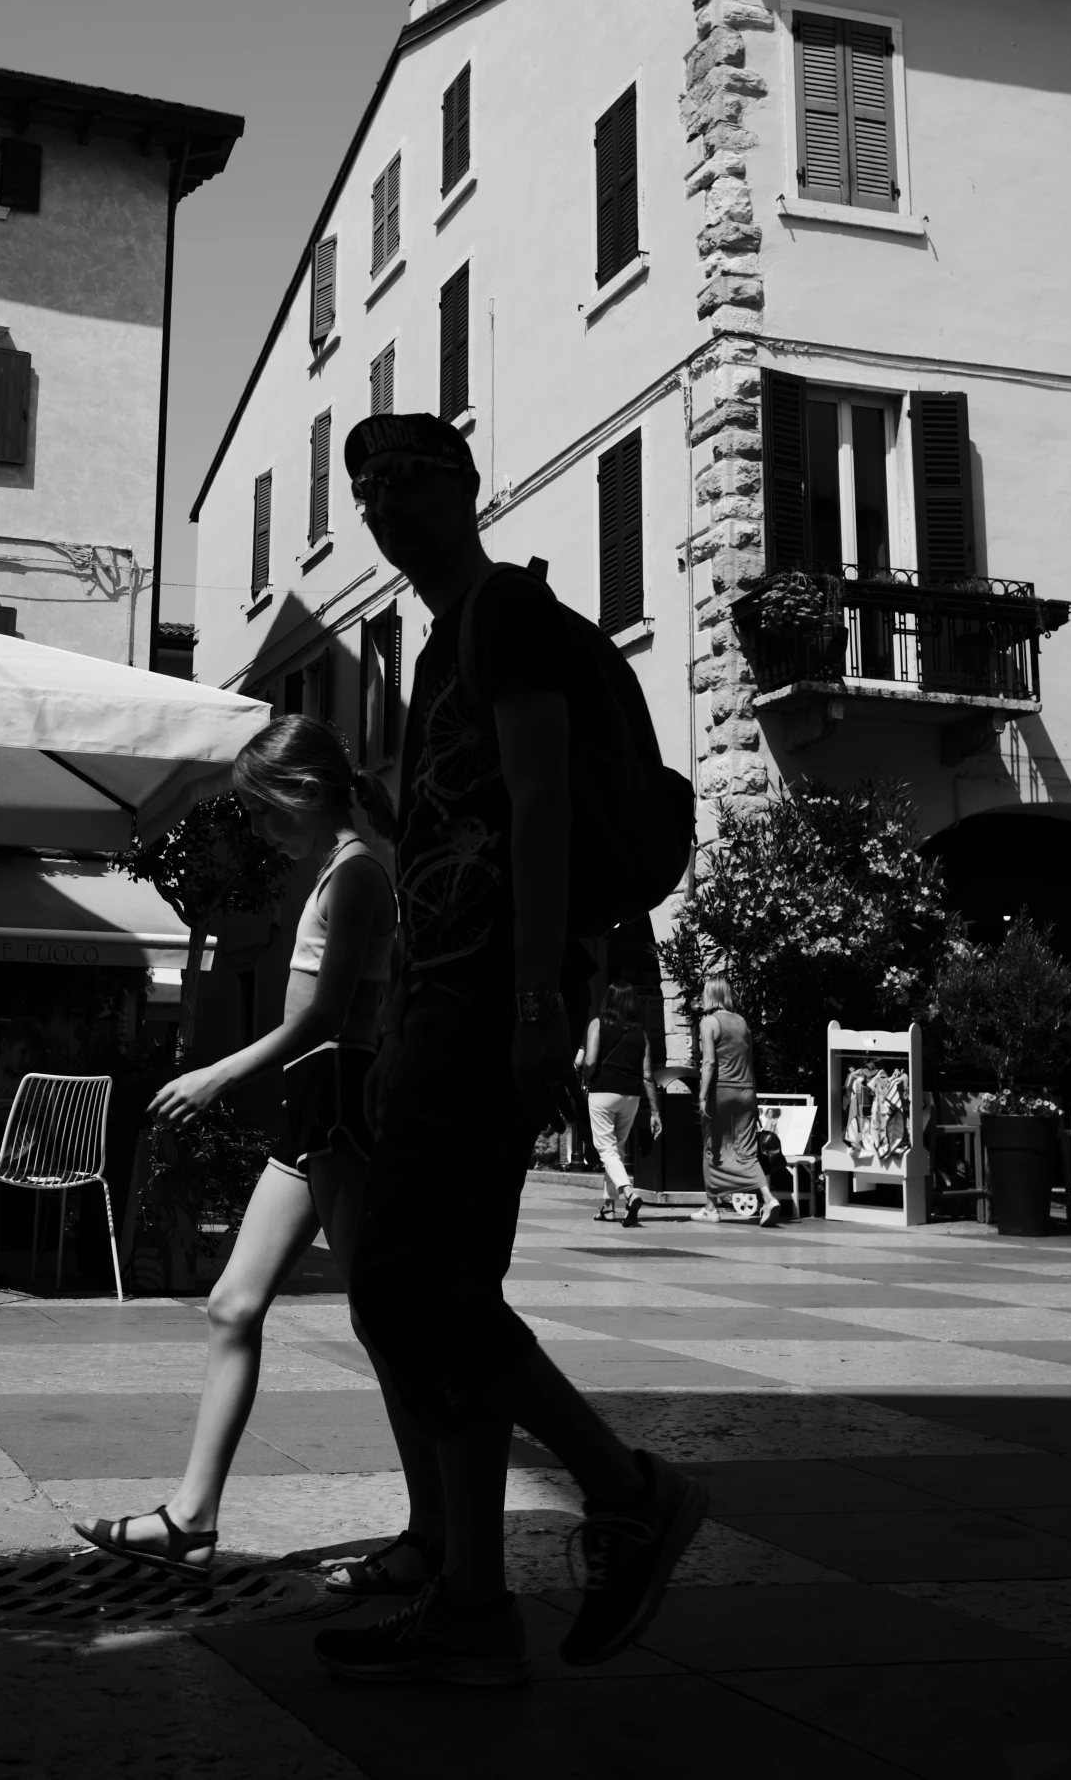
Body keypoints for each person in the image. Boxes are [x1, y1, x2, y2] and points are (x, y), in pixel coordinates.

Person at [314, 410, 706, 1689]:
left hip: (491, 996)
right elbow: (443, 837)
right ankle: (474, 1591)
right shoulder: (431, 653)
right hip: (441, 993)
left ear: (464, 485)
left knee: (411, 1287)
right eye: (363, 484)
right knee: (419, 1292)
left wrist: (538, 1000)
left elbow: (537, 801)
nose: (378, 502)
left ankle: (619, 1488)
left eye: (404, 477)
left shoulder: (506, 615)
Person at [78, 715, 446, 1589]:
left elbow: (321, 1019)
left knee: (381, 1323)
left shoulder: (356, 875)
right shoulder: (342, 870)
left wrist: (214, 1074)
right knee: (233, 1305)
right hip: (321, 1112)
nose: (258, 831)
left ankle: (434, 1536)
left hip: (340, 1107)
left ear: (307, 796)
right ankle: (191, 1519)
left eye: (265, 813)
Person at [696, 971, 780, 1229]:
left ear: (709, 994)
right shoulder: (742, 1022)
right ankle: (767, 1197)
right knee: (746, 1150)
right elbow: (750, 1063)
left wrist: (701, 1095)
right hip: (746, 1092)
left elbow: (709, 1062)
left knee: (714, 1148)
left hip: (720, 1092)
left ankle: (712, 1208)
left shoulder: (708, 1022)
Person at [583, 982, 662, 1227]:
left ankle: (629, 1192)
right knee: (616, 1150)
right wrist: (655, 1112)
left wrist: (585, 1080)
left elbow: (590, 1060)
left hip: (603, 1093)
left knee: (606, 1150)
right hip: (631, 1096)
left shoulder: (597, 1024)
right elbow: (648, 1075)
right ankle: (608, 1208)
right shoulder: (641, 1033)